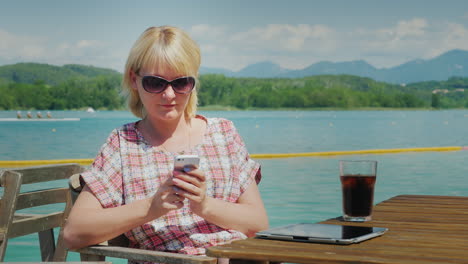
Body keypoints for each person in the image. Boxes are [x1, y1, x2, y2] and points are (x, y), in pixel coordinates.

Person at [63, 26, 269, 259]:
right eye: (155, 83)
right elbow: (74, 232)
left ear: (193, 83)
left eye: (181, 83)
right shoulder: (123, 144)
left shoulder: (224, 133)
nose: (169, 95)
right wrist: (151, 208)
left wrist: (204, 205)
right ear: (134, 79)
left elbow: (258, 224)